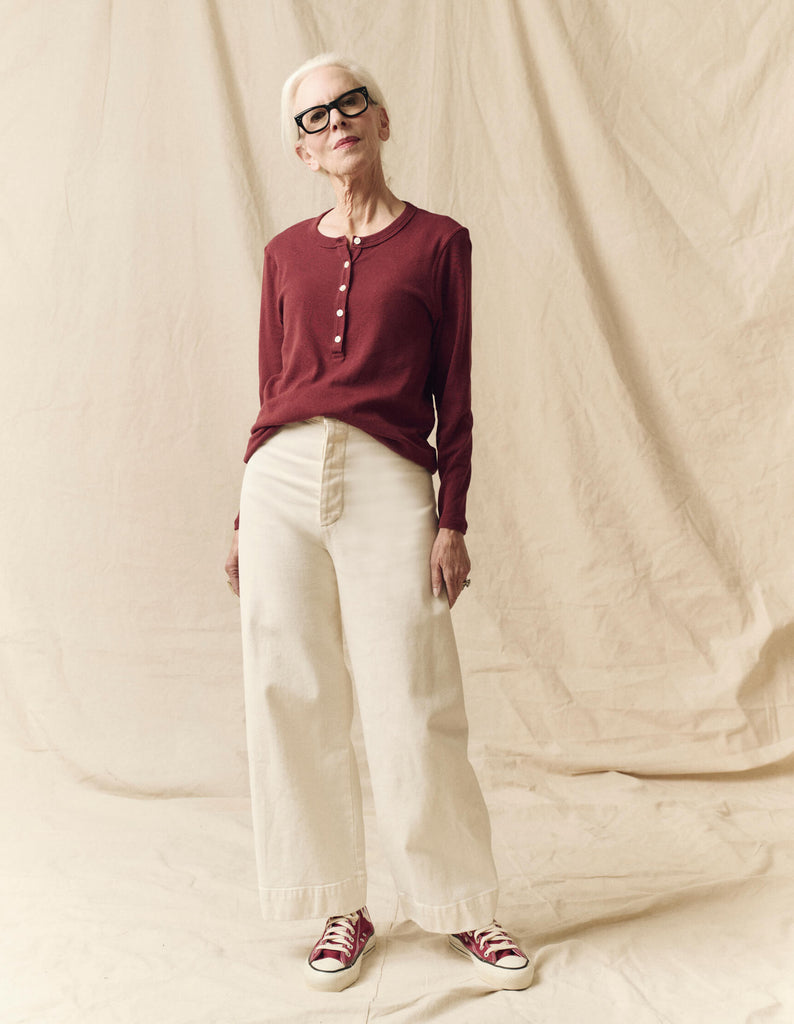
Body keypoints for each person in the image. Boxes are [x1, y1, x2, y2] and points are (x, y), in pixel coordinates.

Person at [224, 53, 533, 994]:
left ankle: (461, 905)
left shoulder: (440, 243)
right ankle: (337, 903)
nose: (336, 123)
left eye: (350, 105)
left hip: (389, 473)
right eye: (314, 119)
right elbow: (273, 388)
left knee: (413, 692)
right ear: (303, 151)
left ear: (381, 120)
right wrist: (243, 511)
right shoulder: (285, 254)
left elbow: (455, 390)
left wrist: (453, 517)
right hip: (279, 481)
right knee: (290, 688)